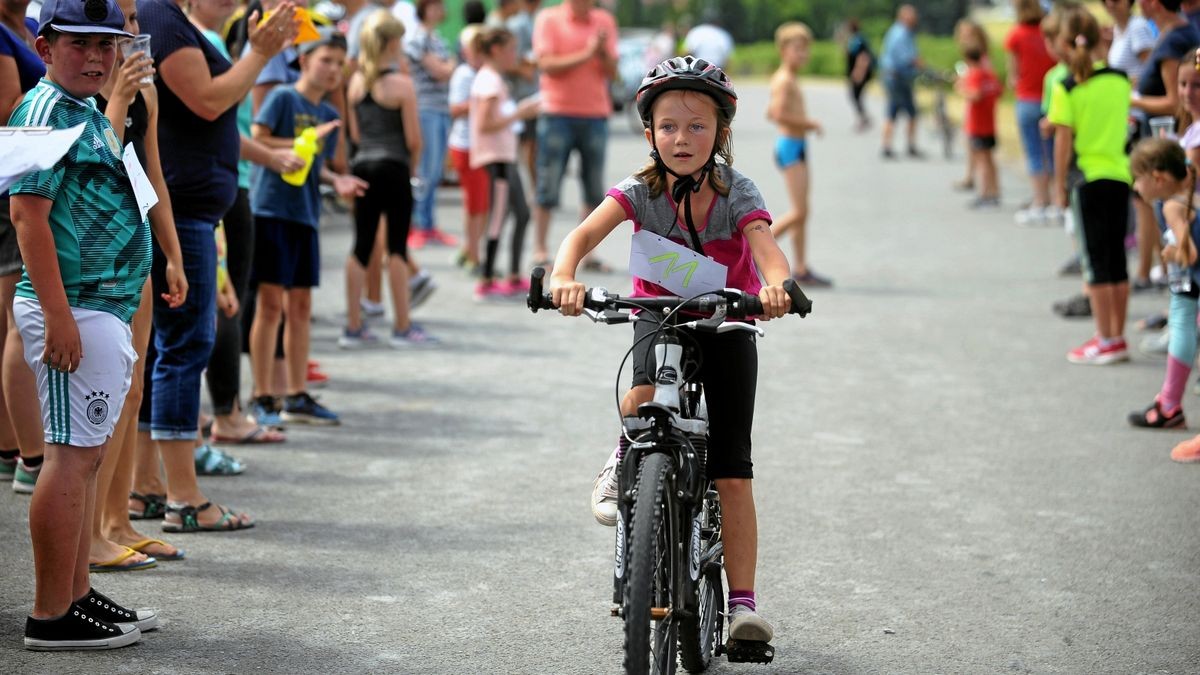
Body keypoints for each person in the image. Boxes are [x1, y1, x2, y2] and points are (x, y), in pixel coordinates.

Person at [550, 55, 792, 644]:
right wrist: (563, 275)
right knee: (641, 392)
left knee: (733, 472)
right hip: (660, 318)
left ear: (722, 132)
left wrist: (776, 285)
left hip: (726, 321)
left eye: (698, 126)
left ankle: (741, 607)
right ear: (649, 133)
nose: (682, 139)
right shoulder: (640, 190)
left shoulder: (738, 190)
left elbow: (767, 248)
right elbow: (580, 237)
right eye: (668, 126)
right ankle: (623, 455)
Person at [9, 0, 158, 649]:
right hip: (74, 305)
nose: (98, 57)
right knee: (70, 459)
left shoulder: (82, 109)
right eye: (80, 45)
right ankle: (51, 612)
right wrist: (61, 315)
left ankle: (75, 593)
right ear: (45, 47)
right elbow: (27, 218)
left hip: (101, 304)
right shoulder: (43, 111)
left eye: (107, 44)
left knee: (86, 455)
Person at [249, 29, 367, 425]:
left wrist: (339, 181)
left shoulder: (330, 115)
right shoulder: (284, 97)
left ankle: (296, 394)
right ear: (303, 61)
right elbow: (258, 139)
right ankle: (262, 395)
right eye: (325, 61)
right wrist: (303, 139)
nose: (333, 70)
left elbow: (315, 166)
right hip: (271, 210)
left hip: (305, 214)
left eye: (339, 63)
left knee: (300, 307)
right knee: (269, 306)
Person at [342, 12, 435, 347]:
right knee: (396, 247)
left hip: (363, 166)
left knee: (361, 247)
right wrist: (414, 169)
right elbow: (414, 139)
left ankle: (353, 326)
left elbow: (354, 133)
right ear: (393, 43)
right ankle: (403, 325)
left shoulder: (355, 84)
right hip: (394, 167)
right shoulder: (401, 85)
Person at [1048, 6, 1133, 365]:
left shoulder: (1066, 85)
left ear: (1066, 44)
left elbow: (1063, 141)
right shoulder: (1120, 79)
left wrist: (1059, 184)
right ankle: (1118, 334)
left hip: (1087, 177)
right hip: (1121, 174)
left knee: (1095, 263)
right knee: (1117, 259)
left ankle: (1105, 336)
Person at [530, 0, 617, 268]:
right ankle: (541, 248)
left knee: (593, 187)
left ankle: (588, 252)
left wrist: (601, 53)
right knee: (548, 183)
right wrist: (587, 52)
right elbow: (546, 64)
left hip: (595, 113)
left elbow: (613, 72)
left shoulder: (604, 20)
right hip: (557, 112)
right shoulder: (549, 18)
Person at [0, 0, 46, 494]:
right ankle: (30, 458)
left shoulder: (28, 25)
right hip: (14, 181)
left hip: (30, 173)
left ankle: (10, 446)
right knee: (17, 319)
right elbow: (8, 109)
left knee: (7, 320)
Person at [1126, 139, 1198, 429]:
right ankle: (1168, 402)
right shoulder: (1187, 193)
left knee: (1183, 325)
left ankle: (1169, 405)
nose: (1135, 186)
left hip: (1191, 278)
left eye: (1137, 179)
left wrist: (1170, 253)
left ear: (1158, 178)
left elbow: (1188, 252)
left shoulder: (1172, 205)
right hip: (1190, 283)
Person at [1130, 0, 1200, 292]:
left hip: (1189, 232)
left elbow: (1189, 182)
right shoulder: (1189, 130)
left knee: (1186, 300)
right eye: (1183, 85)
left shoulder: (1196, 139)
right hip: (1184, 231)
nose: (1186, 93)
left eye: (1196, 86)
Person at [470, 26, 540, 300]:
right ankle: (487, 277)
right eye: (511, 49)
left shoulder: (493, 79)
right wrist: (520, 113)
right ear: (497, 50)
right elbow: (486, 123)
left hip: (502, 157)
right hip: (495, 159)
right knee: (502, 216)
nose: (515, 55)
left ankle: (508, 274)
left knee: (518, 213)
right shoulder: (489, 81)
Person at [766, 22, 830, 288]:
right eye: (797, 49)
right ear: (783, 50)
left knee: (803, 211)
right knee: (799, 211)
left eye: (805, 50)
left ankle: (801, 267)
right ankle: (754, 251)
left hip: (798, 146)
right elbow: (776, 113)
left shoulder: (791, 78)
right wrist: (809, 123)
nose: (803, 55)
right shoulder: (783, 80)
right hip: (790, 146)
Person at [405, 0, 457, 248]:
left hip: (440, 108)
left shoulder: (436, 38)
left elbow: (447, 68)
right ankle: (417, 225)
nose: (439, 10)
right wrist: (447, 66)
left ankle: (427, 224)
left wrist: (446, 67)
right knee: (425, 170)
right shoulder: (417, 37)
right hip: (425, 109)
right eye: (434, 6)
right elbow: (442, 71)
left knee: (436, 171)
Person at [1007, 0, 1058, 225]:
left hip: (1027, 99)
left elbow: (1013, 74)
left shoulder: (1015, 35)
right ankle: (1057, 201)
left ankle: (1040, 202)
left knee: (1034, 154)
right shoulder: (1049, 32)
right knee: (1053, 152)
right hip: (1051, 99)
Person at [448, 24, 488, 275]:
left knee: (479, 204)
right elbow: (455, 109)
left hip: (479, 146)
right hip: (467, 146)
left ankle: (469, 248)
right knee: (475, 205)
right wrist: (482, 103)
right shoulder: (463, 74)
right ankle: (474, 254)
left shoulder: (480, 73)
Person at [958, 41, 1003, 209]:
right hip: (989, 123)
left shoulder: (974, 74)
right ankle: (995, 191)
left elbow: (975, 95)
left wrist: (961, 88)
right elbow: (999, 91)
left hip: (977, 125)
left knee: (981, 160)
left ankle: (984, 194)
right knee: (990, 159)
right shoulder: (989, 74)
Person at [879, 4, 923, 159]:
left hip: (893, 77)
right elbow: (905, 58)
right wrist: (918, 63)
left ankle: (887, 145)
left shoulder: (897, 31)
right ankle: (909, 146)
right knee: (908, 112)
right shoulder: (901, 33)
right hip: (897, 77)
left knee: (892, 112)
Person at [1104, 0, 1154, 87]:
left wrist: (1127, 82)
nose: (1109, 3)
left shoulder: (1137, 27)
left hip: (1140, 96)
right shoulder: (1118, 29)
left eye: (1115, 1)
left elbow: (1152, 70)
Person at [844, 18, 874, 132]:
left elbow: (863, 57)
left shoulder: (859, 40)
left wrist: (859, 72)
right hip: (857, 71)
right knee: (856, 96)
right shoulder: (854, 39)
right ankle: (863, 118)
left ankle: (863, 119)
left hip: (860, 72)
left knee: (856, 95)